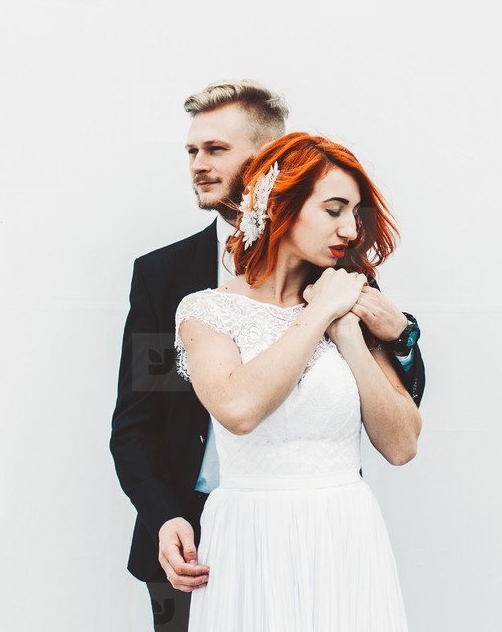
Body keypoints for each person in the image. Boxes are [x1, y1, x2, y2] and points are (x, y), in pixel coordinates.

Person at [110, 81, 427, 631]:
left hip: (336, 537)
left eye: (216, 150)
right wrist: (164, 517)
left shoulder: (342, 276)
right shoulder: (167, 280)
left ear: (270, 164)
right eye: (192, 151)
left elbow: (400, 422)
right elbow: (136, 420)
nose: (198, 165)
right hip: (201, 545)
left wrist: (394, 332)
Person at [175, 132, 419, 631]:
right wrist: (319, 313)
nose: (351, 229)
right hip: (250, 536)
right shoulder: (206, 311)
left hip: (345, 531)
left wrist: (349, 336)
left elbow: (401, 446)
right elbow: (239, 410)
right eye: (334, 210)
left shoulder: (351, 298)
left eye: (354, 212)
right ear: (282, 204)